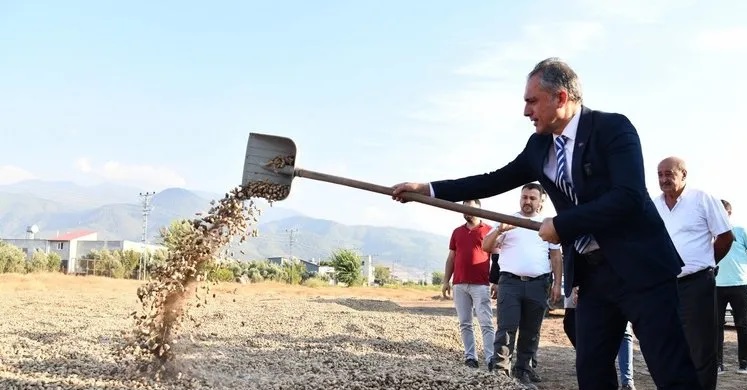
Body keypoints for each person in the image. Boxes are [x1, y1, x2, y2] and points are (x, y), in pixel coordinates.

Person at [392, 57, 701, 389]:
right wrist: (429, 189)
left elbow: (627, 197)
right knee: (592, 371)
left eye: (532, 101)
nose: (526, 111)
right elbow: (492, 180)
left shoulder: (613, 129)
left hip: (642, 270)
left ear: (561, 98)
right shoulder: (539, 146)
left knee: (671, 371)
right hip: (594, 276)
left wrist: (563, 223)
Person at [654, 157, 734, 390]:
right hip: (665, 286)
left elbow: (725, 237)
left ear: (684, 174)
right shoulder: (654, 205)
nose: (664, 179)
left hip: (697, 284)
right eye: (660, 174)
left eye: (669, 173)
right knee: (667, 344)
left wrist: (706, 263)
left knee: (700, 348)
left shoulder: (703, 200)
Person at [480, 182, 561, 385]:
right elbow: (486, 246)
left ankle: (523, 369)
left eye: (532, 198)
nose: (527, 201)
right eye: (524, 197)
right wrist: (499, 231)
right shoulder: (508, 221)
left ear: (541, 201)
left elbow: (556, 255)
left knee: (531, 330)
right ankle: (500, 371)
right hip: (510, 283)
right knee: (506, 327)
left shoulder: (547, 224)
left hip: (539, 284)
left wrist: (558, 283)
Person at [442, 199, 495, 369]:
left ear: (480, 210)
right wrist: (445, 281)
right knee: (465, 323)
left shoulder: (489, 231)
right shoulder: (457, 232)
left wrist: (496, 281)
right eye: (464, 208)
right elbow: (451, 257)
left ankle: (491, 358)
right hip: (459, 284)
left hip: (481, 284)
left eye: (471, 209)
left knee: (486, 322)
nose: (467, 212)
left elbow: (497, 258)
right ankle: (470, 357)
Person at [565, 287, 637, 390]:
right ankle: (598, 364)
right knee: (571, 324)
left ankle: (627, 380)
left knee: (624, 332)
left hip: (618, 285)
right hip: (593, 287)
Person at [714, 199, 747, 374]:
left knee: (743, 324)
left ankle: (744, 363)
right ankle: (718, 364)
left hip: (739, 284)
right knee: (716, 326)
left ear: (729, 213)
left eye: (723, 213)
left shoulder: (741, 232)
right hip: (716, 285)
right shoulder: (709, 233)